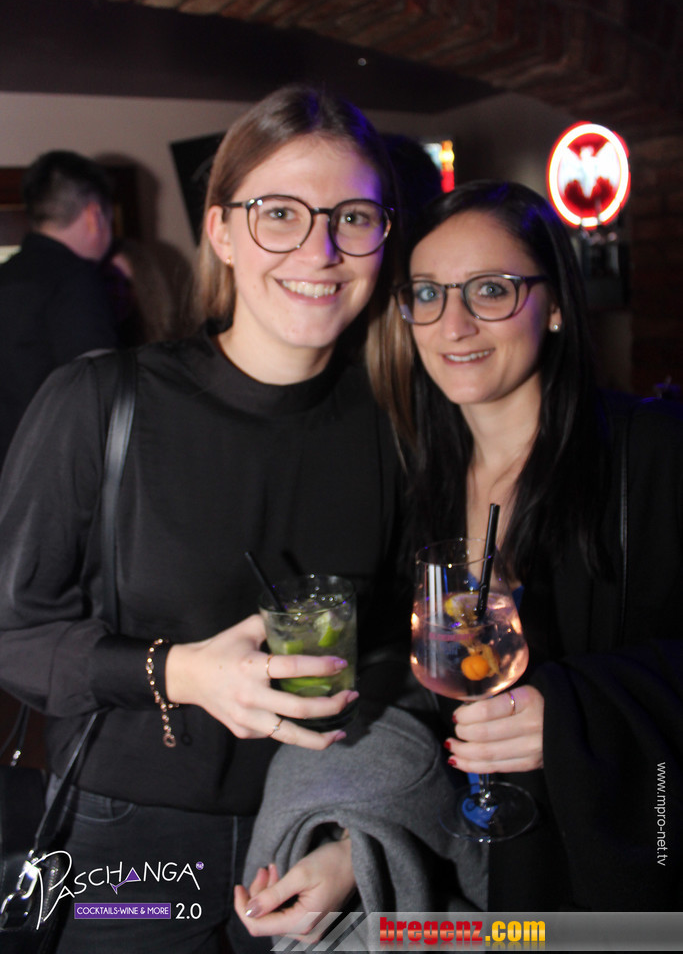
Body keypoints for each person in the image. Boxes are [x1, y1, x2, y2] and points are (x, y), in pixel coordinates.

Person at [0, 85, 409, 952]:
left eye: (351, 217)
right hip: (131, 849)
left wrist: (353, 841)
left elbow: (401, 658)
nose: (320, 249)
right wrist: (179, 672)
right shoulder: (100, 401)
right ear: (221, 231)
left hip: (311, 827)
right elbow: (12, 635)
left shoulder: (397, 429)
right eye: (279, 214)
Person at [374, 179, 683, 910]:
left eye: (490, 290)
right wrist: (356, 846)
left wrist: (576, 716)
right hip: (496, 880)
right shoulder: (419, 482)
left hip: (633, 884)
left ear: (555, 305)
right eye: (427, 294)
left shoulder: (654, 453)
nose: (452, 325)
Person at [0, 150, 118, 470]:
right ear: (95, 215)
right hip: (51, 475)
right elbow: (100, 394)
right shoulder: (75, 280)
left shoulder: (6, 276)